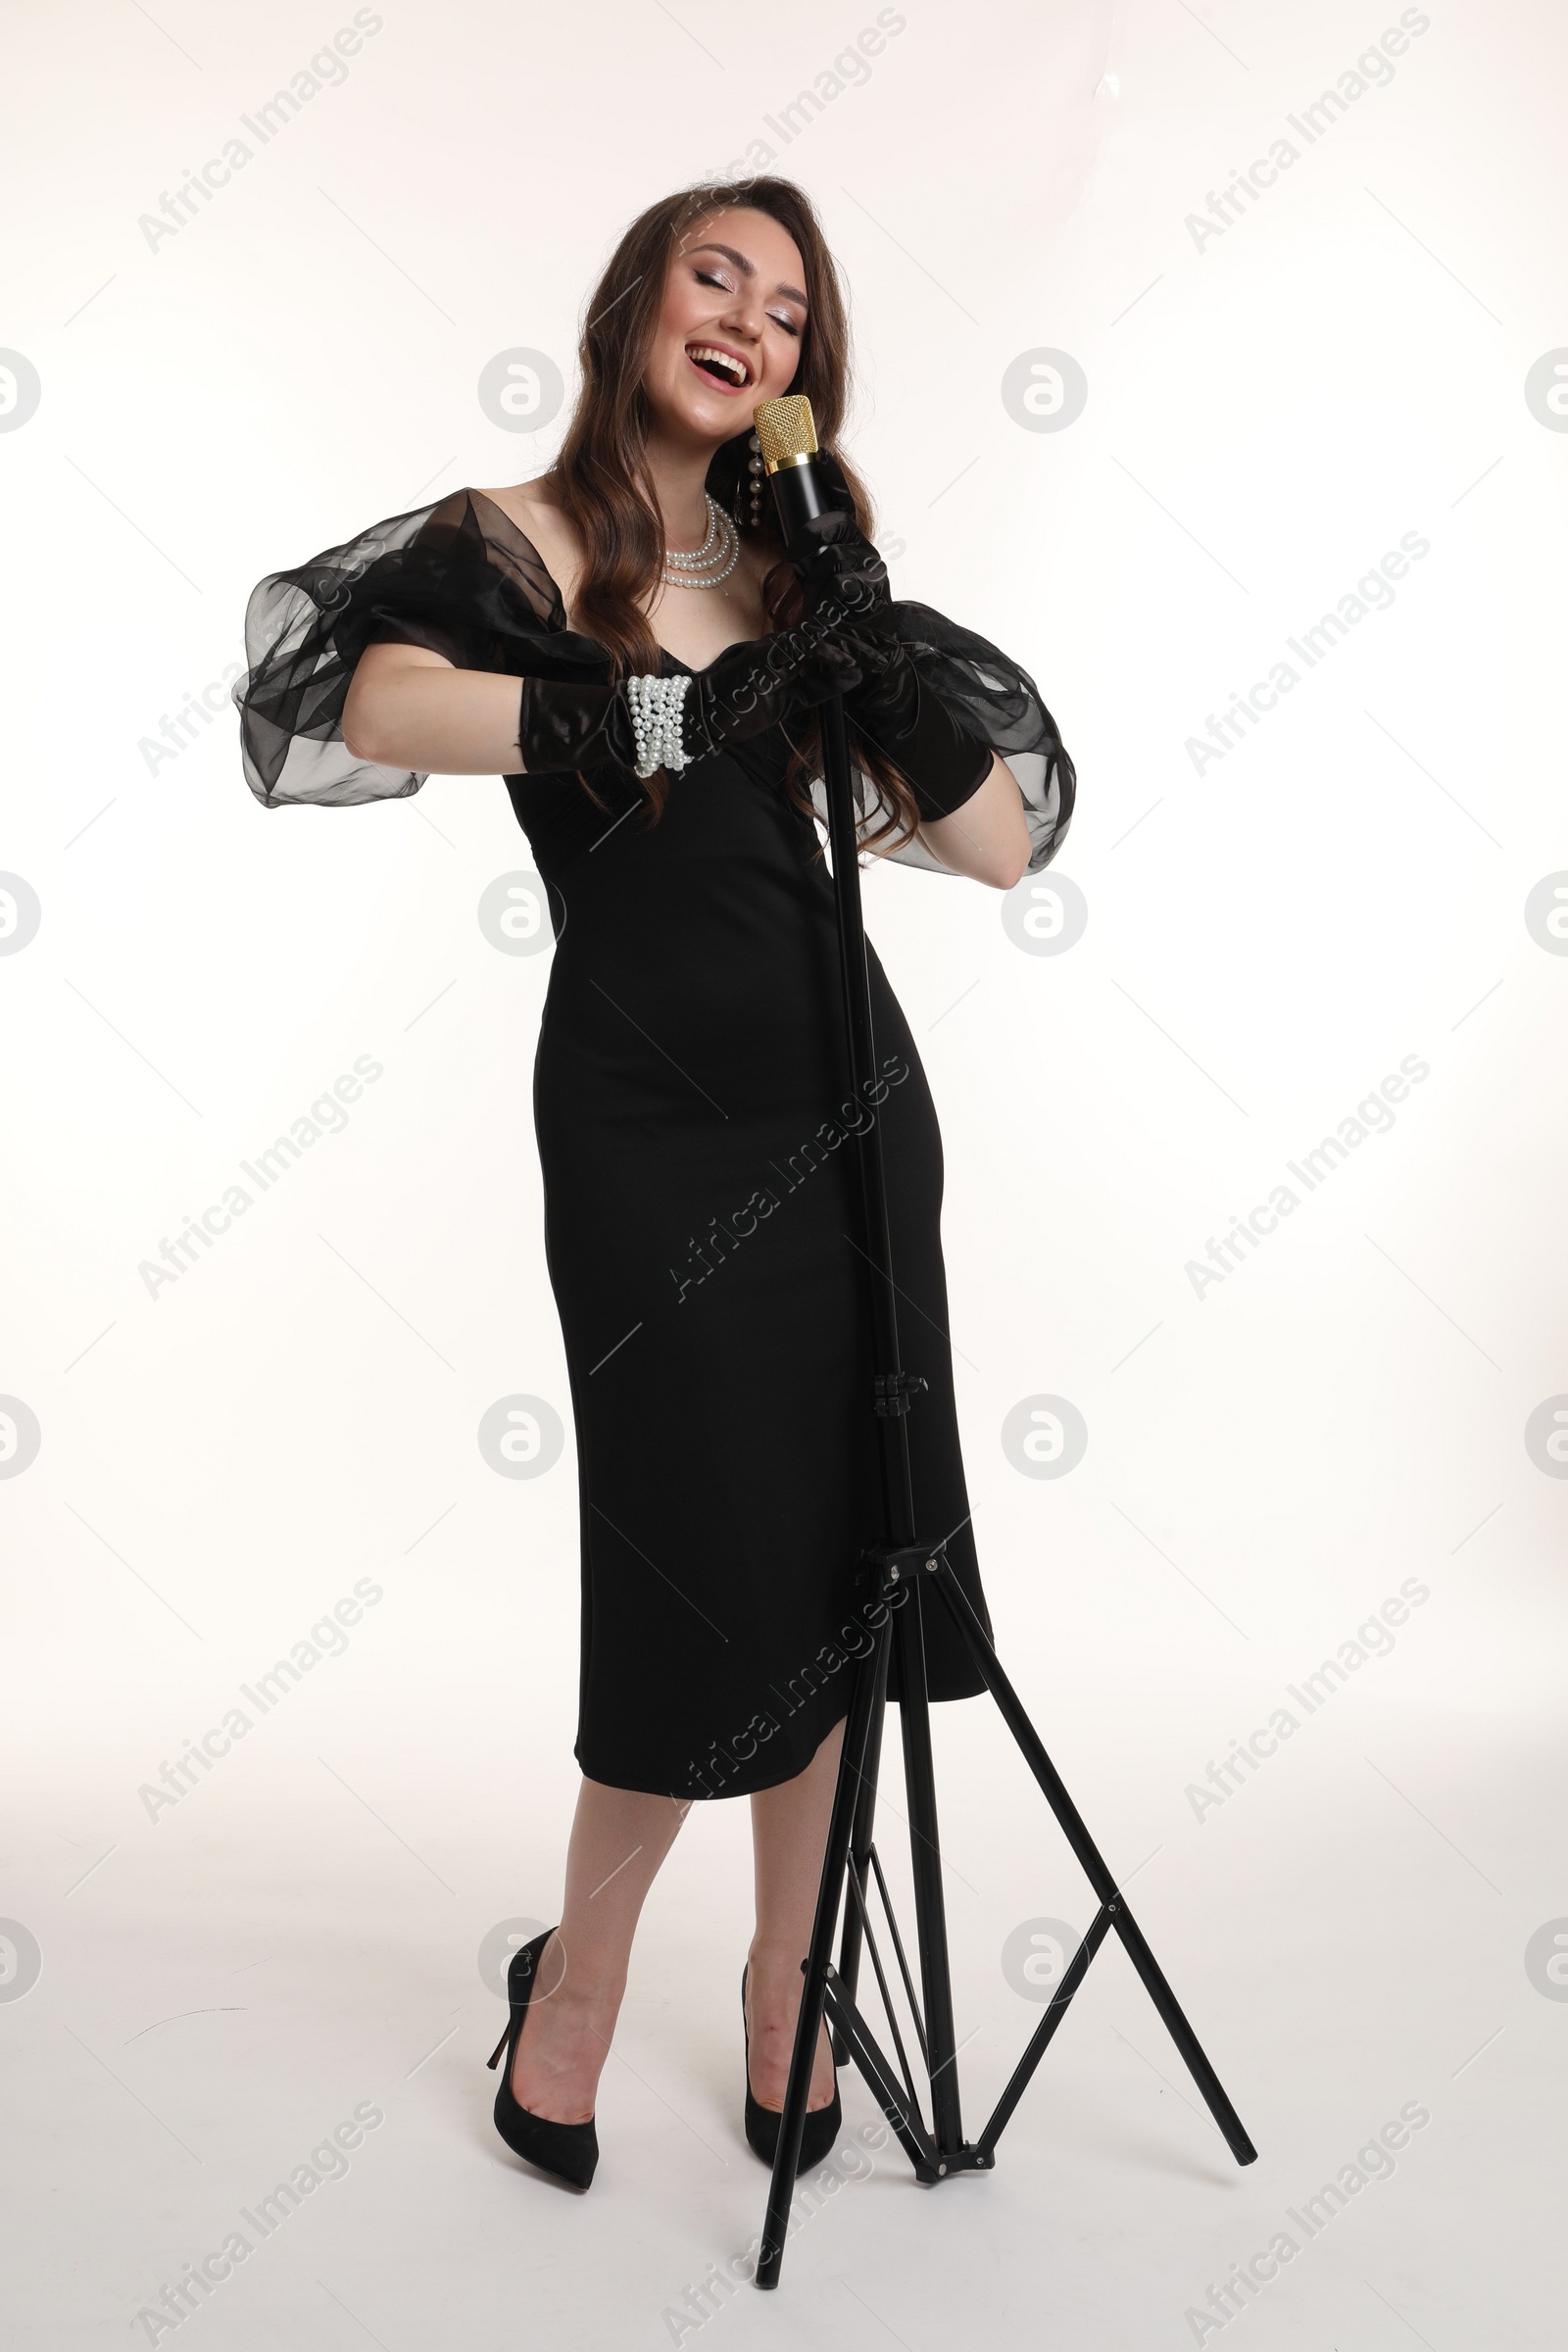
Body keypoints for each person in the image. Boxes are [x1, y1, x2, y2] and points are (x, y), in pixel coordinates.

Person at [232, 176, 1074, 2194]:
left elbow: (991, 850)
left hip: (843, 1110)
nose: (747, 319)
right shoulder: (511, 540)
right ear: (637, 299)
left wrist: (859, 623)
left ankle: (794, 1986)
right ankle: (582, 1987)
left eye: (785, 309)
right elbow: (363, 706)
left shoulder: (801, 575)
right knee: (696, 1560)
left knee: (842, 1565)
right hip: (643, 1117)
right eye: (717, 274)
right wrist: (660, 703)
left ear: (799, 374)